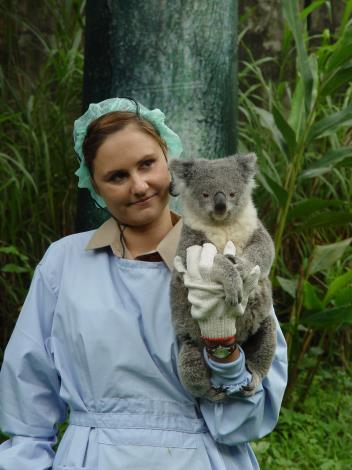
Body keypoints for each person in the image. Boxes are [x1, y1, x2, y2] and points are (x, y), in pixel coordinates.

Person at [0, 97, 287, 469]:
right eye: (117, 176)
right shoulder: (64, 263)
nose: (139, 186)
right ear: (95, 187)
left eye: (147, 164)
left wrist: (223, 347)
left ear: (168, 160)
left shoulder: (229, 256)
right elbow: (28, 406)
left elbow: (246, 420)